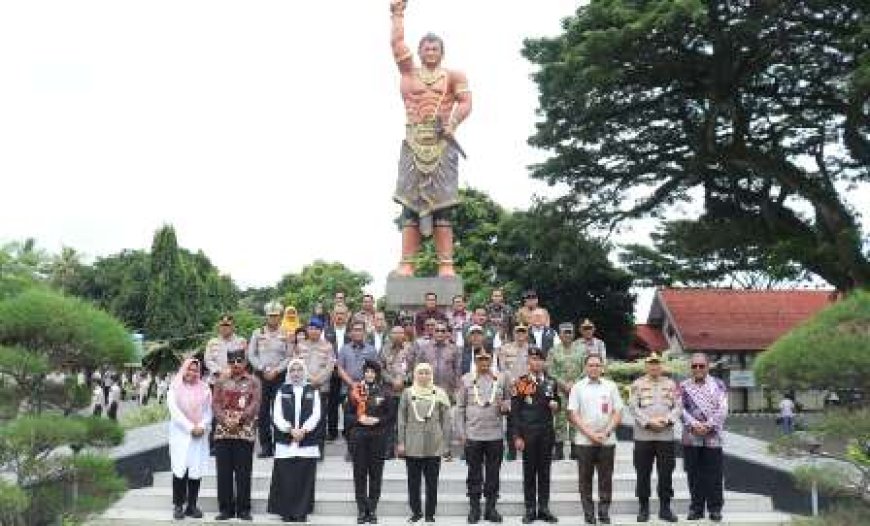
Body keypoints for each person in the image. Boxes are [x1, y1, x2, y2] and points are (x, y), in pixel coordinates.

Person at [390, 0, 472, 277]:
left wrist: (453, 122)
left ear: (442, 52)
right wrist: (397, 14)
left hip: (441, 145)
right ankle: (407, 263)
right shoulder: (408, 73)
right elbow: (397, 44)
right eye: (426, 48)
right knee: (410, 207)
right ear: (420, 51)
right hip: (413, 143)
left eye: (435, 48)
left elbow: (466, 102)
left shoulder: (453, 76)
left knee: (443, 208)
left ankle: (446, 264)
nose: (430, 52)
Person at [456, 347, 511, 524]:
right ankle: (474, 508)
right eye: (480, 359)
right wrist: (462, 433)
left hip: (495, 434)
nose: (484, 362)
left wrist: (506, 406)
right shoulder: (466, 379)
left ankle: (490, 508)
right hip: (473, 435)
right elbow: (460, 408)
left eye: (487, 358)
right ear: (475, 360)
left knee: (493, 474)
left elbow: (509, 400)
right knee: (474, 473)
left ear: (492, 359)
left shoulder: (501, 378)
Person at [568, 354, 623, 525]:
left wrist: (606, 432)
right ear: (585, 367)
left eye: (597, 365)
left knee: (606, 478)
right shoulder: (577, 387)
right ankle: (589, 513)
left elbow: (618, 412)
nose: (594, 368)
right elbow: (573, 414)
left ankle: (604, 511)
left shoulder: (611, 386)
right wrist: (591, 435)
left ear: (602, 367)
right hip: (585, 441)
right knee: (585, 479)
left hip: (607, 440)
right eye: (591, 365)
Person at [628, 352, 680, 523]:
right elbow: (633, 407)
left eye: (657, 363)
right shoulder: (637, 384)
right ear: (646, 366)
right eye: (651, 364)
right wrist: (649, 422)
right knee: (643, 473)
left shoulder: (671, 384)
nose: (654, 366)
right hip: (643, 436)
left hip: (665, 436)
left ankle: (665, 508)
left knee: (666, 473)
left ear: (661, 366)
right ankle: (644, 508)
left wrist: (666, 420)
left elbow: (678, 406)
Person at [268, 359, 321, 523]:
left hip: (307, 440)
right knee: (286, 477)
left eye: (299, 370)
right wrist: (290, 430)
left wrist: (304, 430)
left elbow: (316, 414)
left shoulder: (312, 390)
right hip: (286, 441)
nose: (296, 373)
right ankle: (286, 511)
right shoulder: (281, 390)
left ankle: (301, 512)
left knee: (304, 478)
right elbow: (276, 415)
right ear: (289, 373)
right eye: (293, 370)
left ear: (304, 372)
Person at [398, 363, 452, 523]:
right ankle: (416, 512)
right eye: (420, 373)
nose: (424, 376)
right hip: (412, 444)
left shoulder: (440, 393)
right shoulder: (407, 393)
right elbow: (401, 420)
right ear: (415, 375)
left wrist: (445, 444)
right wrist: (401, 442)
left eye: (427, 373)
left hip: (433, 443)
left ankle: (430, 514)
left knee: (432, 482)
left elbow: (446, 421)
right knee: (413, 482)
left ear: (431, 375)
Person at [211, 348, 261, 521]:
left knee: (243, 472)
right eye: (232, 361)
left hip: (244, 432)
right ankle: (225, 509)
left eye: (239, 361)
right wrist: (225, 420)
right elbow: (215, 404)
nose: (236, 364)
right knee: (223, 473)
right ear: (228, 363)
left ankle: (244, 509)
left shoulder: (254, 381)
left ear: (245, 362)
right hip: (223, 432)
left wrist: (239, 420)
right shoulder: (220, 381)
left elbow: (255, 404)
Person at [512, 347, 560, 524]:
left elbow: (557, 402)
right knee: (529, 472)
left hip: (546, 434)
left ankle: (544, 508)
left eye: (540, 359)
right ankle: (530, 508)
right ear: (528, 362)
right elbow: (515, 413)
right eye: (533, 359)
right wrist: (517, 436)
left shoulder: (551, 382)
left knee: (545, 473)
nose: (537, 362)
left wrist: (557, 406)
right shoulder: (522, 382)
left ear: (544, 362)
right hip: (528, 434)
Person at [680, 353, 728, 523]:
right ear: (690, 367)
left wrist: (708, 425)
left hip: (713, 436)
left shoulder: (718, 385)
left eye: (701, 366)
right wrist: (694, 424)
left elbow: (723, 408)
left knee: (714, 474)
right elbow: (680, 409)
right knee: (694, 474)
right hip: (691, 436)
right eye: (694, 366)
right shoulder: (683, 386)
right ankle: (696, 508)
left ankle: (715, 509)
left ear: (708, 366)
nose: (698, 369)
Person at [349, 360, 396, 524]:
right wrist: (359, 418)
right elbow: (348, 415)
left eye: (372, 372)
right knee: (359, 474)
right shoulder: (355, 390)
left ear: (377, 374)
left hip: (378, 437)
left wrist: (377, 420)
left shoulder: (385, 391)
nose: (369, 374)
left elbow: (391, 415)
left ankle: (372, 509)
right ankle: (362, 510)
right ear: (364, 373)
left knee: (376, 475)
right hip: (359, 437)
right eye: (367, 371)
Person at [167, 358, 212, 520]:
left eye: (195, 370)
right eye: (189, 369)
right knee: (180, 470)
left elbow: (208, 412)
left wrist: (202, 425)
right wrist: (190, 427)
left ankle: (191, 506)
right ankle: (178, 505)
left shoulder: (205, 388)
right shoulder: (174, 388)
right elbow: (175, 412)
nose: (192, 373)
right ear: (183, 369)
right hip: (181, 434)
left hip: (199, 435)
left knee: (196, 470)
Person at [248, 301, 292, 458]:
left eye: (276, 316)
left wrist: (277, 370)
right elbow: (251, 355)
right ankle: (266, 446)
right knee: (263, 412)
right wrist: (262, 368)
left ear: (280, 317)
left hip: (279, 376)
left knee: (280, 411)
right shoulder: (257, 332)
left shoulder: (286, 333)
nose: (273, 319)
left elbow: (289, 356)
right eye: (270, 316)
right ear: (266, 317)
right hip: (261, 376)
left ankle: (279, 444)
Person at [295, 318, 336, 458]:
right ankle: (305, 447)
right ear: (307, 330)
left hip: (321, 388)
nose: (313, 331)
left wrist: (318, 380)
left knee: (319, 419)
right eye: (311, 328)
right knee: (303, 417)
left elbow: (330, 367)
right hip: (304, 387)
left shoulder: (328, 346)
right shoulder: (301, 345)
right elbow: (297, 365)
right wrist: (308, 379)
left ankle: (319, 450)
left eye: (316, 328)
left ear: (321, 330)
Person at [337, 321, 381, 449]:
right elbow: (339, 368)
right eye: (355, 330)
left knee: (364, 418)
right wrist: (352, 383)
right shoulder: (344, 349)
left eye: (360, 330)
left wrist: (364, 383)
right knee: (349, 420)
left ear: (364, 332)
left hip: (366, 390)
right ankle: (350, 449)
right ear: (350, 333)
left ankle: (362, 448)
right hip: (348, 390)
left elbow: (375, 369)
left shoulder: (371, 350)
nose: (357, 332)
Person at [545, 322, 586, 460]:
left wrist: (574, 383)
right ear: (560, 334)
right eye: (564, 332)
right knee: (560, 420)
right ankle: (559, 450)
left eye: (569, 332)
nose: (567, 335)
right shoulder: (553, 350)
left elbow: (586, 368)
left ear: (573, 334)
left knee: (576, 418)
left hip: (577, 389)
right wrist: (562, 383)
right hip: (560, 390)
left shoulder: (582, 349)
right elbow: (549, 370)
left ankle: (575, 449)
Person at [499, 324, 532, 461]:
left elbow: (533, 366)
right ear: (513, 333)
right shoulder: (505, 348)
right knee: (511, 419)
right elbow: (502, 367)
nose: (520, 334)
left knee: (527, 417)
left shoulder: (531, 349)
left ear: (526, 334)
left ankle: (528, 449)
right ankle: (511, 450)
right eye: (518, 332)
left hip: (527, 388)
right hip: (510, 387)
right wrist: (511, 380)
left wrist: (524, 383)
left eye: (523, 332)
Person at [381, 325, 413, 458]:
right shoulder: (385, 349)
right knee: (389, 421)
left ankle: (404, 449)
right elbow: (381, 368)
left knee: (406, 421)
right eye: (394, 333)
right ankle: (389, 449)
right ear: (390, 335)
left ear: (404, 334)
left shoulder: (410, 349)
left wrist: (404, 380)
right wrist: (392, 381)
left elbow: (414, 368)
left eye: (400, 333)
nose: (397, 335)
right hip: (389, 391)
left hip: (406, 391)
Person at [324, 305, 352, 441]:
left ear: (347, 315)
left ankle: (349, 431)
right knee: (332, 404)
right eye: (337, 313)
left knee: (349, 403)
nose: (340, 316)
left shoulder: (353, 331)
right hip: (333, 373)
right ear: (332, 315)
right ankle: (332, 431)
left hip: (349, 373)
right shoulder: (326, 331)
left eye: (342, 313)